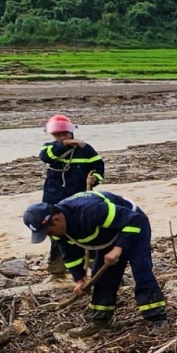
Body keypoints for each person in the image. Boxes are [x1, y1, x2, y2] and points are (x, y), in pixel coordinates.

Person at [23, 190, 168, 333]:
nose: (50, 236)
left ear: (56, 220)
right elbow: (70, 255)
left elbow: (133, 219)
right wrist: (79, 279)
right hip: (108, 236)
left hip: (133, 226)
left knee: (141, 271)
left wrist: (118, 248)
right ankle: (100, 320)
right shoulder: (58, 232)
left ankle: (158, 319)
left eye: (48, 232)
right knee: (103, 277)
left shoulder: (90, 210)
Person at [38, 115, 106, 277]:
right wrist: (65, 144)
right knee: (57, 235)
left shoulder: (86, 150)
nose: (62, 137)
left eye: (64, 134)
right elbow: (46, 157)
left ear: (71, 132)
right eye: (58, 135)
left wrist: (95, 179)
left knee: (85, 230)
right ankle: (57, 269)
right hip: (54, 200)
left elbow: (98, 167)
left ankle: (94, 267)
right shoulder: (49, 148)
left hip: (80, 199)